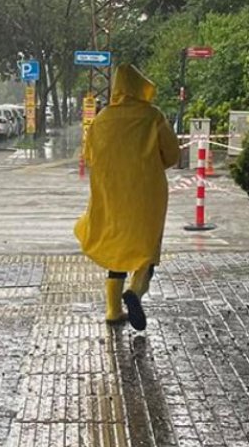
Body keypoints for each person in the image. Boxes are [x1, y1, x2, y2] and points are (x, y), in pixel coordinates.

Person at [75, 65, 180, 330]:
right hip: (147, 195)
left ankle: (112, 310)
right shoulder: (152, 116)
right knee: (146, 249)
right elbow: (172, 155)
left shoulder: (101, 119)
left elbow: (89, 156)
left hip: (112, 194)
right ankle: (135, 291)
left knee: (117, 251)